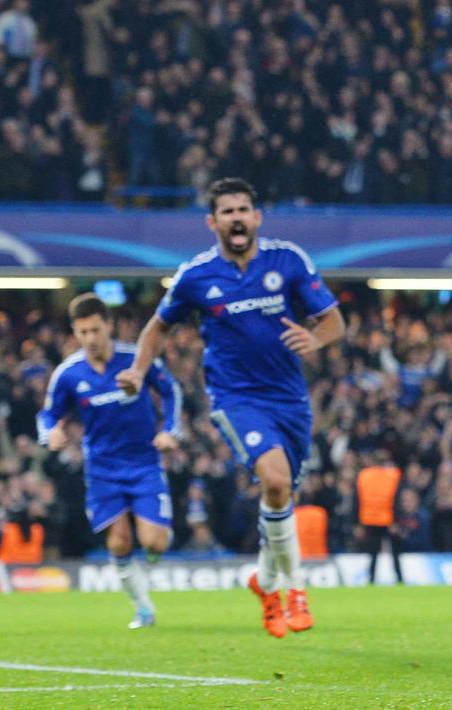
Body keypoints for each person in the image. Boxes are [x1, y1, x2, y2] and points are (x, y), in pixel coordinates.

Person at [118, 177, 344, 638]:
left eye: (244, 209)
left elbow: (333, 321)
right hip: (236, 398)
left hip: (290, 400)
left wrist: (316, 339)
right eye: (227, 211)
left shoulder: (289, 260)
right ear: (212, 222)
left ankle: (264, 582)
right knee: (276, 481)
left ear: (257, 217)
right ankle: (295, 589)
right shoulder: (195, 276)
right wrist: (139, 372)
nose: (237, 218)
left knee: (280, 495)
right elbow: (156, 328)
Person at [38, 293, 182, 629]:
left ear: (109, 326)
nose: (89, 338)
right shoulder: (69, 373)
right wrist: (51, 434)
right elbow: (48, 414)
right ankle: (143, 607)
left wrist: (170, 429)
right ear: (75, 332)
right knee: (118, 541)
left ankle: (152, 552)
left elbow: (171, 390)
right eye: (82, 332)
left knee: (154, 543)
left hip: (144, 460)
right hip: (102, 467)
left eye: (95, 330)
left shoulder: (137, 360)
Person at [357, 452, 403, 584]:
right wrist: (396, 520)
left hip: (369, 519)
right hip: (388, 519)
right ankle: (399, 578)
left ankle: (371, 579)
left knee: (373, 553)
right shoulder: (393, 475)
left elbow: (358, 499)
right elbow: (397, 499)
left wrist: (357, 522)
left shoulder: (364, 475)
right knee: (395, 553)